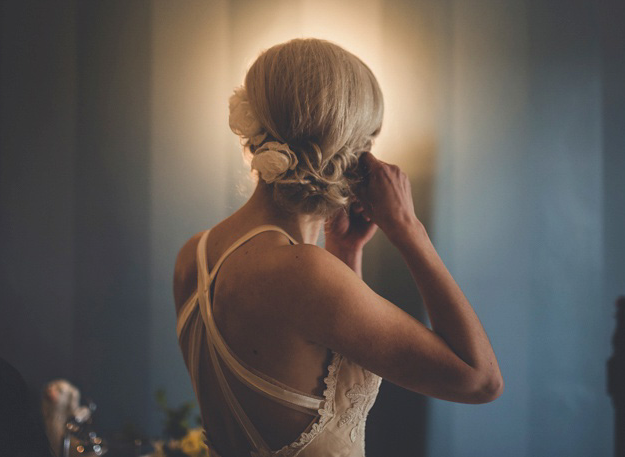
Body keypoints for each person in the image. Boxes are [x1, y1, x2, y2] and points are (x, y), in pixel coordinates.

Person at [174, 39, 502, 457]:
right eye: (370, 139)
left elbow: (302, 363)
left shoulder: (194, 255)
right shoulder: (304, 273)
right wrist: (408, 228)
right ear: (351, 150)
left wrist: (344, 253)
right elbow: (481, 380)